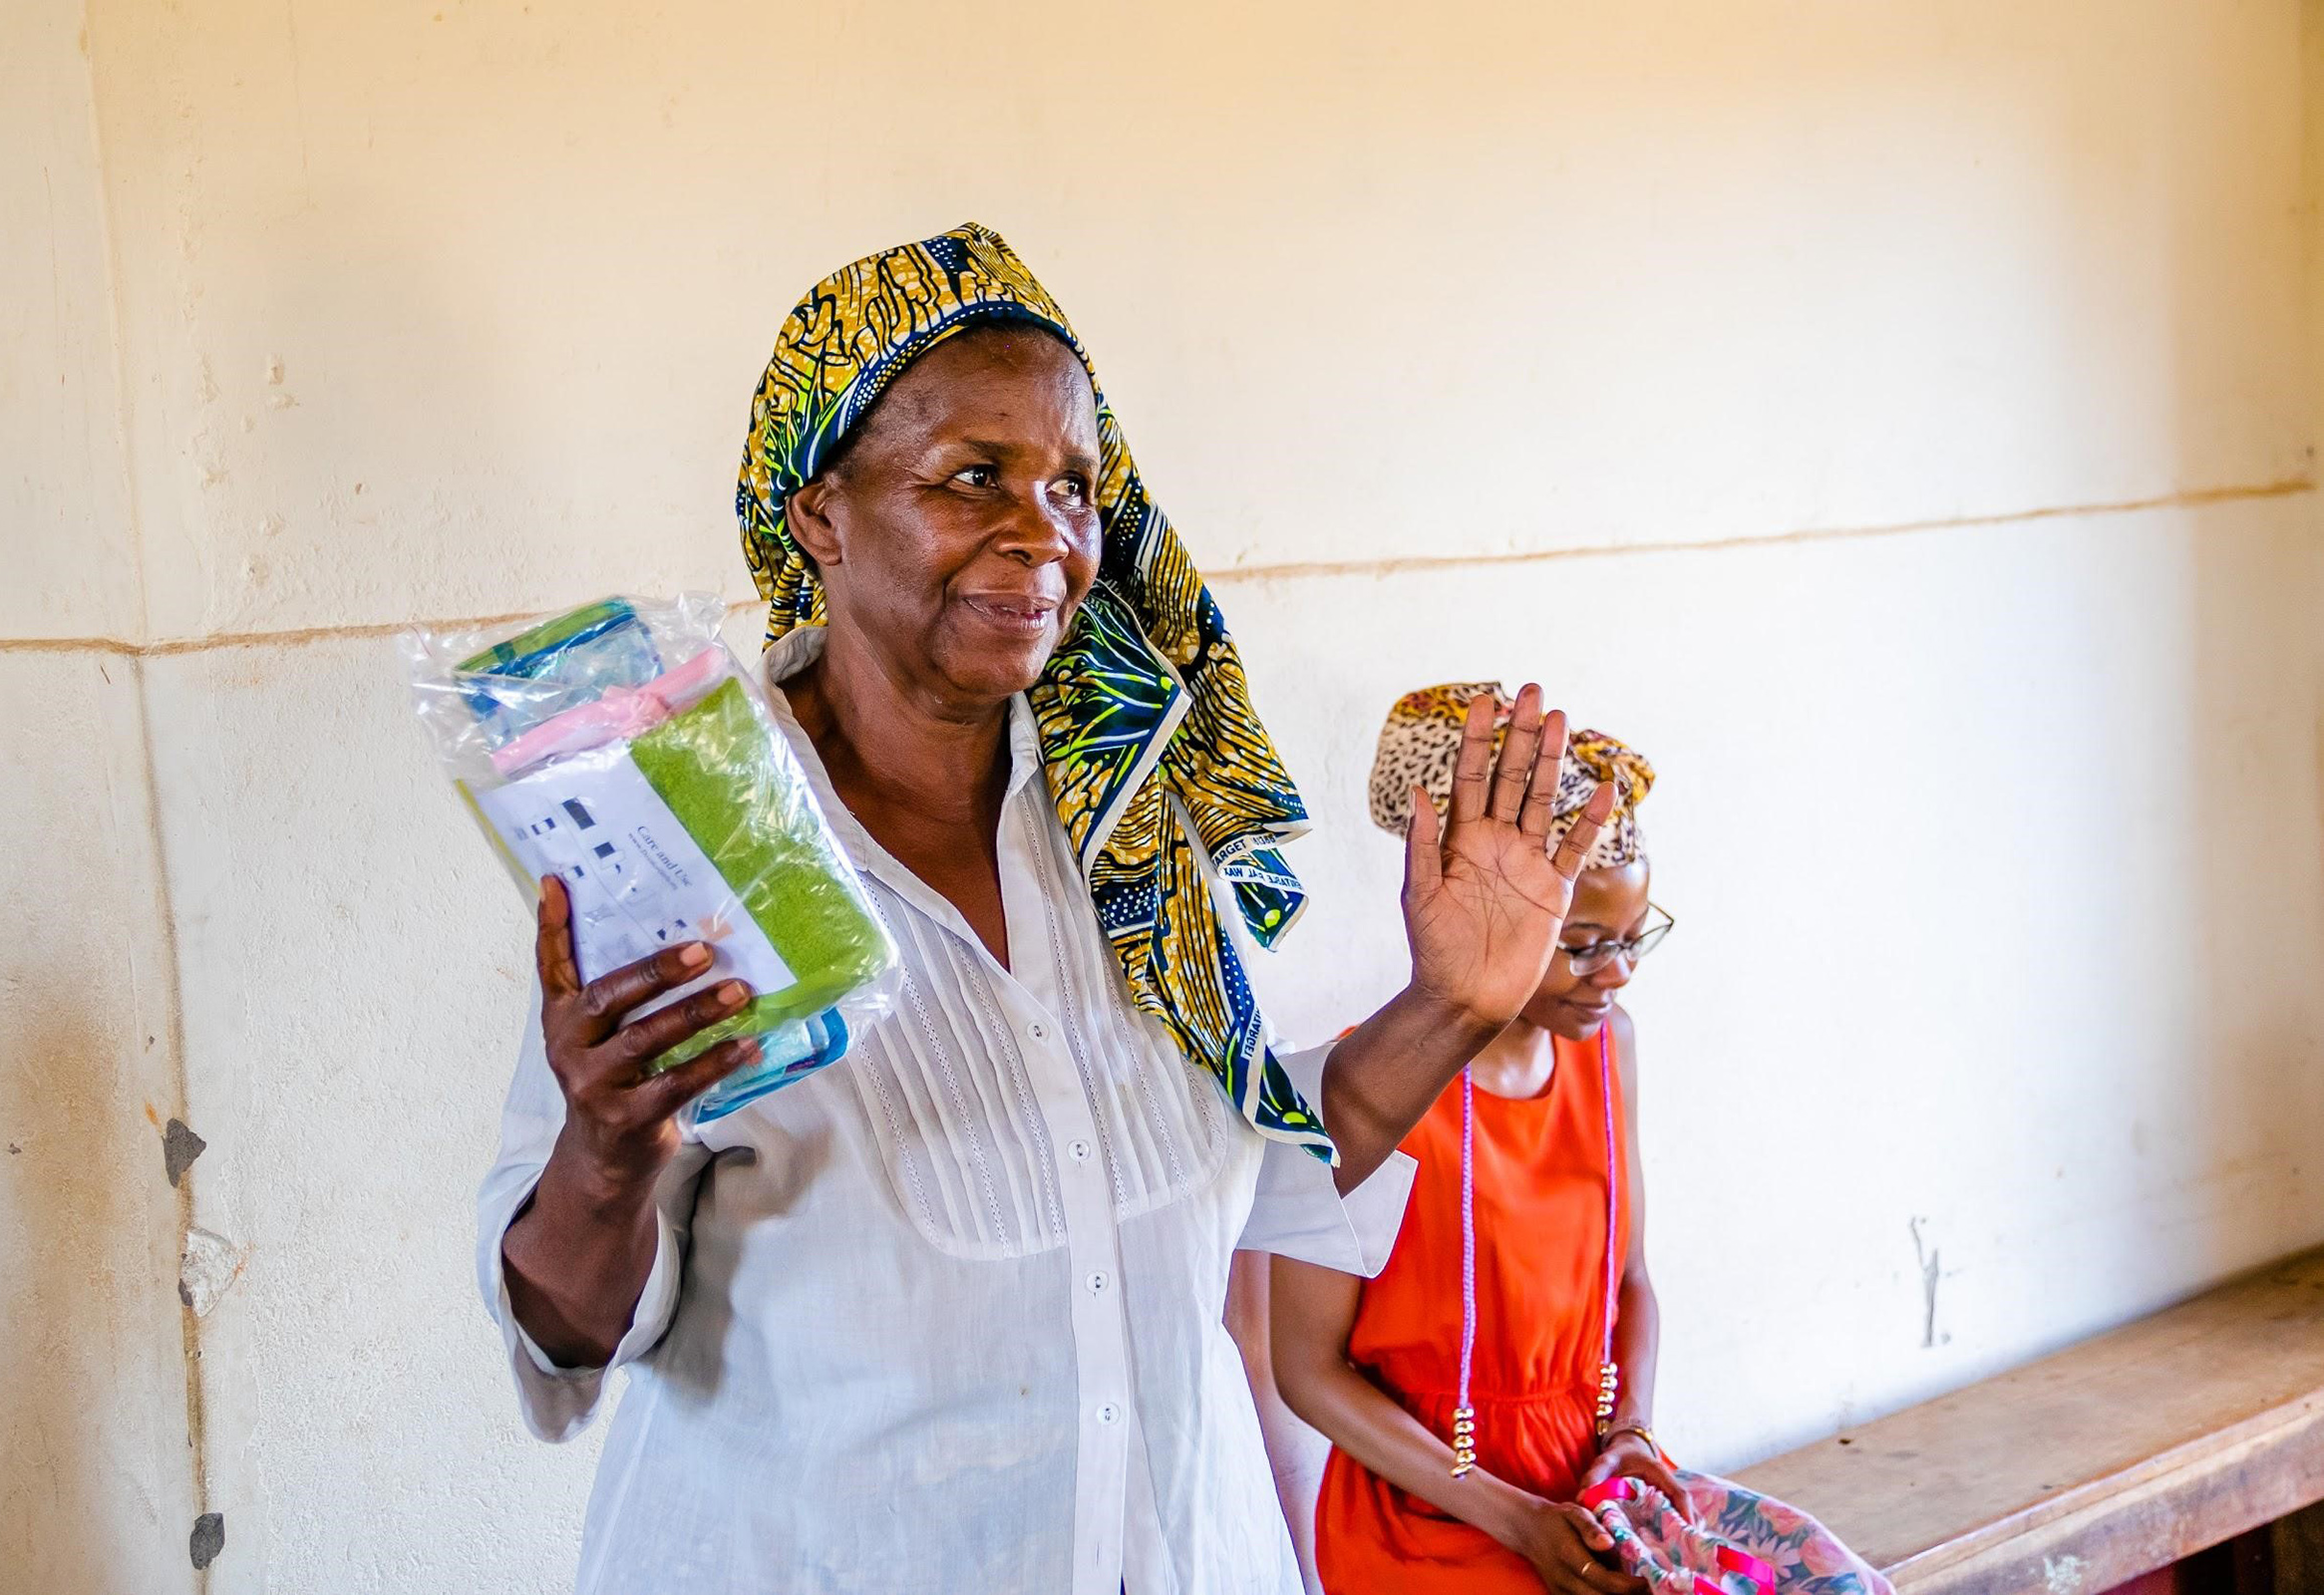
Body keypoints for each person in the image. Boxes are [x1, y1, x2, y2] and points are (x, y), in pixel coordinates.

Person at [474, 227, 1622, 1593]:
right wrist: (608, 1150)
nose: (1046, 535)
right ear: (820, 516)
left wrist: (1451, 1005)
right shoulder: (706, 845)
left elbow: (1235, 1179)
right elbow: (563, 1329)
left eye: (1073, 483)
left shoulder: (1130, 829)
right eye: (975, 477)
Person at [1272, 684, 1889, 1595]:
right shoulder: (1361, 1090)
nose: (1621, 975)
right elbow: (1306, 1373)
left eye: (1637, 938)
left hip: (1590, 1473)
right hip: (1432, 1511)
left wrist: (1632, 1434)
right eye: (1587, 943)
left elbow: (1630, 1279)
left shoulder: (1608, 1053)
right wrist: (1516, 1517)